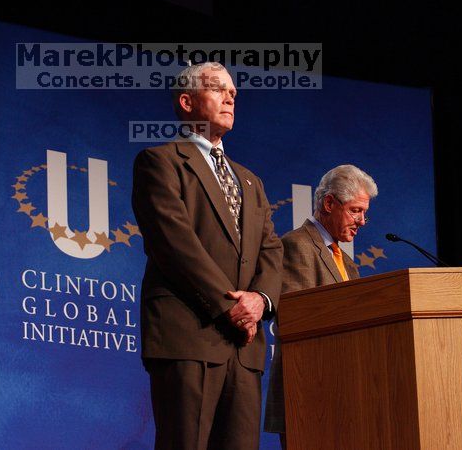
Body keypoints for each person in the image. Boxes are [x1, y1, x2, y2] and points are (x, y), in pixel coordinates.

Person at [132, 61, 283, 450]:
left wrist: (259, 300)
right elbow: (174, 244)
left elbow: (271, 249)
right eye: (218, 88)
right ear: (186, 101)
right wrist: (228, 305)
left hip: (244, 345)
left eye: (233, 91)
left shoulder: (251, 181)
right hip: (189, 334)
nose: (231, 96)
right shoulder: (160, 162)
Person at [264, 164, 378, 448]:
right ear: (329, 203)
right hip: (310, 394)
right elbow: (296, 321)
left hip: (345, 392)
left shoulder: (348, 264)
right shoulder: (296, 245)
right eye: (356, 210)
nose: (363, 221)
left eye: (365, 212)